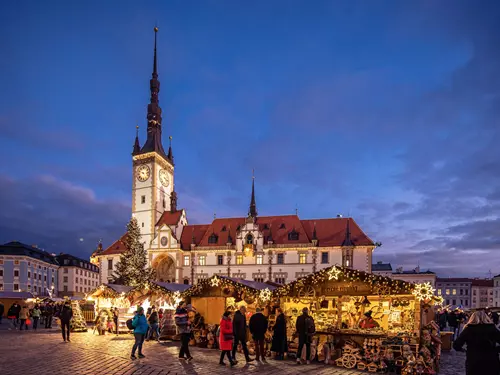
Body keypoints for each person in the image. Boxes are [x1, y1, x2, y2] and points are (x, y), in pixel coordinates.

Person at [453, 310, 500, 375]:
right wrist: (495, 350)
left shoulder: (469, 329)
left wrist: (464, 350)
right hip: (491, 360)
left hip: (474, 360)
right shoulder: (492, 328)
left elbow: (456, 345)